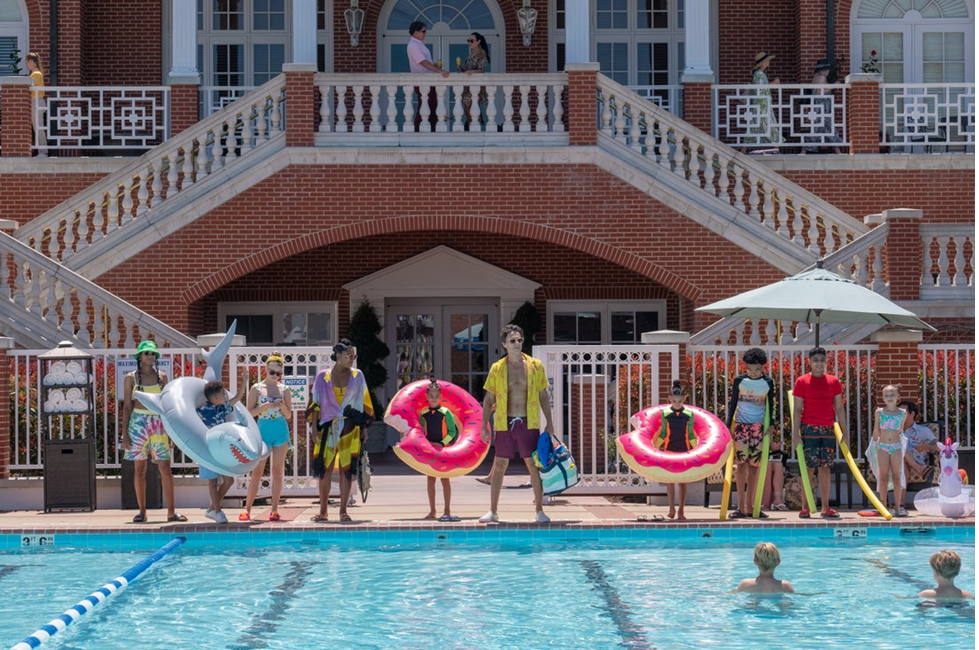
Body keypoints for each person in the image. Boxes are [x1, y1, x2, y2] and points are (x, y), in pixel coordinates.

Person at [479, 324, 555, 524]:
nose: (517, 344)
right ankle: (493, 511)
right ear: (504, 344)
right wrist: (483, 424)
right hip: (505, 422)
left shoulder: (535, 365)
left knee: (533, 464)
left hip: (528, 421)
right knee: (500, 465)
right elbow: (488, 399)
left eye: (519, 340)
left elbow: (543, 395)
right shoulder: (497, 368)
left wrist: (550, 422)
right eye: (512, 341)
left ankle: (539, 510)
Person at [308, 340, 374, 523]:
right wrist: (313, 429)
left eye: (354, 356)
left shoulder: (358, 376)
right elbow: (315, 403)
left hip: (350, 428)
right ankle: (323, 511)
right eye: (348, 355)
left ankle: (343, 511)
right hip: (327, 429)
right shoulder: (323, 377)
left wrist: (364, 428)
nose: (352, 359)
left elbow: (363, 402)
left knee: (347, 470)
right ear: (337, 356)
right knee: (324, 471)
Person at [120, 340, 185, 523]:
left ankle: (171, 512)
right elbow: (127, 407)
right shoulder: (130, 378)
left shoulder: (162, 377)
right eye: (146, 353)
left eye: (152, 354)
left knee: (165, 468)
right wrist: (125, 433)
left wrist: (172, 432)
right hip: (138, 424)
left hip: (159, 423)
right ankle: (142, 511)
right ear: (139, 356)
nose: (150, 357)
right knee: (139, 469)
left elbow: (168, 406)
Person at [792, 346, 846, 519]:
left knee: (825, 468)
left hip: (828, 428)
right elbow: (797, 409)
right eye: (816, 360)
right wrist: (795, 433)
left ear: (826, 362)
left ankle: (825, 507)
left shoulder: (834, 381)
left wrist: (845, 431)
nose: (819, 364)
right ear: (809, 362)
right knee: (809, 468)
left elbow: (839, 407)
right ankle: (805, 507)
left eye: (822, 360)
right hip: (809, 428)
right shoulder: (801, 381)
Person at [241, 352, 293, 522]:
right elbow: (249, 412)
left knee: (277, 472)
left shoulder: (284, 389)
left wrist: (282, 406)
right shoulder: (256, 388)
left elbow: (288, 415)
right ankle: (247, 509)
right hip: (262, 431)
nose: (275, 376)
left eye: (279, 373)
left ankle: (275, 510)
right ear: (266, 370)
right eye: (272, 372)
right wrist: (263, 407)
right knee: (257, 472)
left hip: (280, 430)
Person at [726, 347, 776, 519]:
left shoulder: (768, 382)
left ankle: (750, 506)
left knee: (755, 467)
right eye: (750, 369)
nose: (754, 373)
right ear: (745, 367)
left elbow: (772, 404)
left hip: (758, 428)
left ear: (763, 368)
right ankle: (740, 506)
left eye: (758, 369)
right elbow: (732, 403)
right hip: (741, 425)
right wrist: (728, 425)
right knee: (741, 466)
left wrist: (772, 425)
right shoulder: (739, 380)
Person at [197, 379, 245, 524]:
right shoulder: (202, 411)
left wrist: (244, 382)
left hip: (220, 449)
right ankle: (218, 512)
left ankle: (212, 508)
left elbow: (236, 399)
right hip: (208, 449)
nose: (226, 395)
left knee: (229, 480)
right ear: (216, 397)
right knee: (212, 482)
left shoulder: (221, 408)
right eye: (223, 393)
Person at [418, 378, 461, 521]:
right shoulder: (423, 413)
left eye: (436, 396)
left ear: (440, 396)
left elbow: (452, 432)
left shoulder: (445, 412)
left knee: (445, 480)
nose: (434, 399)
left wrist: (442, 444)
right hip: (430, 450)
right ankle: (432, 511)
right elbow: (420, 431)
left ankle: (447, 510)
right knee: (430, 480)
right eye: (431, 396)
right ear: (426, 397)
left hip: (443, 450)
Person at [657, 380, 698, 521]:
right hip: (669, 450)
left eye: (680, 401)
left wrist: (696, 448)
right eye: (674, 401)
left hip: (684, 451)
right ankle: (671, 508)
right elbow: (663, 433)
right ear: (669, 399)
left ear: (684, 399)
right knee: (670, 481)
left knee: (682, 482)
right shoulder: (666, 414)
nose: (677, 404)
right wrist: (655, 447)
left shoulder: (689, 414)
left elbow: (691, 434)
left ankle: (681, 510)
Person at [407, 21, 450, 132]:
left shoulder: (419, 44)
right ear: (416, 32)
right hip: (422, 80)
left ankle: (432, 130)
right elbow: (422, 62)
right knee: (425, 106)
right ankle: (418, 131)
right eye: (423, 31)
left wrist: (434, 66)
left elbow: (425, 62)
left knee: (432, 106)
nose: (425, 34)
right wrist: (439, 71)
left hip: (428, 80)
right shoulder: (413, 45)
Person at [872, 385, 908, 517]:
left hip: (896, 446)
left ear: (898, 397)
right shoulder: (880, 412)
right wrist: (876, 436)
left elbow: (900, 431)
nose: (889, 398)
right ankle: (883, 506)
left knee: (897, 477)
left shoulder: (903, 413)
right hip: (882, 446)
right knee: (883, 478)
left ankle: (897, 507)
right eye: (886, 395)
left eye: (892, 395)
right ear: (883, 397)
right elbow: (876, 433)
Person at [901, 399, 939, 508]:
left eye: (903, 412)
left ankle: (900, 505)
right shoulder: (894, 430)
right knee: (900, 448)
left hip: (914, 459)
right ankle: (920, 469)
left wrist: (927, 447)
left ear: (912, 414)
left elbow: (939, 447)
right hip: (894, 460)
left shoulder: (924, 431)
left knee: (901, 457)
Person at [802, 58, 844, 154]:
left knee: (825, 129)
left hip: (820, 107)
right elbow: (819, 92)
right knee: (819, 129)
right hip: (821, 108)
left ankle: (838, 151)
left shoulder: (817, 76)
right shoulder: (821, 77)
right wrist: (834, 86)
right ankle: (803, 151)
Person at [457, 32, 489, 129]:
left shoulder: (481, 53)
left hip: (476, 86)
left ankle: (476, 128)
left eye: (472, 40)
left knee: (474, 108)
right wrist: (461, 69)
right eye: (468, 40)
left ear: (478, 41)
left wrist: (472, 71)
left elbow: (482, 70)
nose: (469, 42)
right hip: (467, 86)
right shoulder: (470, 54)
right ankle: (471, 126)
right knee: (467, 108)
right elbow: (467, 71)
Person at [750, 51, 783, 146]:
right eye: (767, 61)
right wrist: (773, 83)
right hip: (762, 105)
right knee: (769, 125)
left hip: (762, 104)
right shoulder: (759, 74)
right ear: (763, 63)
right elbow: (761, 88)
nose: (769, 62)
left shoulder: (759, 74)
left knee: (755, 127)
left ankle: (743, 150)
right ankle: (777, 148)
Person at [25, 52, 49, 157]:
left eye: (27, 62)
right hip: (36, 101)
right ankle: (42, 151)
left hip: (36, 101)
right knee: (37, 127)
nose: (26, 65)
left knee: (38, 127)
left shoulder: (35, 74)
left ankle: (43, 152)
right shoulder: (36, 73)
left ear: (31, 61)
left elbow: (27, 87)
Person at [761, 431, 789, 511]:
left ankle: (778, 499)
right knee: (768, 464)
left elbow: (771, 446)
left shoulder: (766, 427)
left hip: (763, 459)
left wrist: (775, 446)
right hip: (752, 460)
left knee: (778, 465)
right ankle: (764, 503)